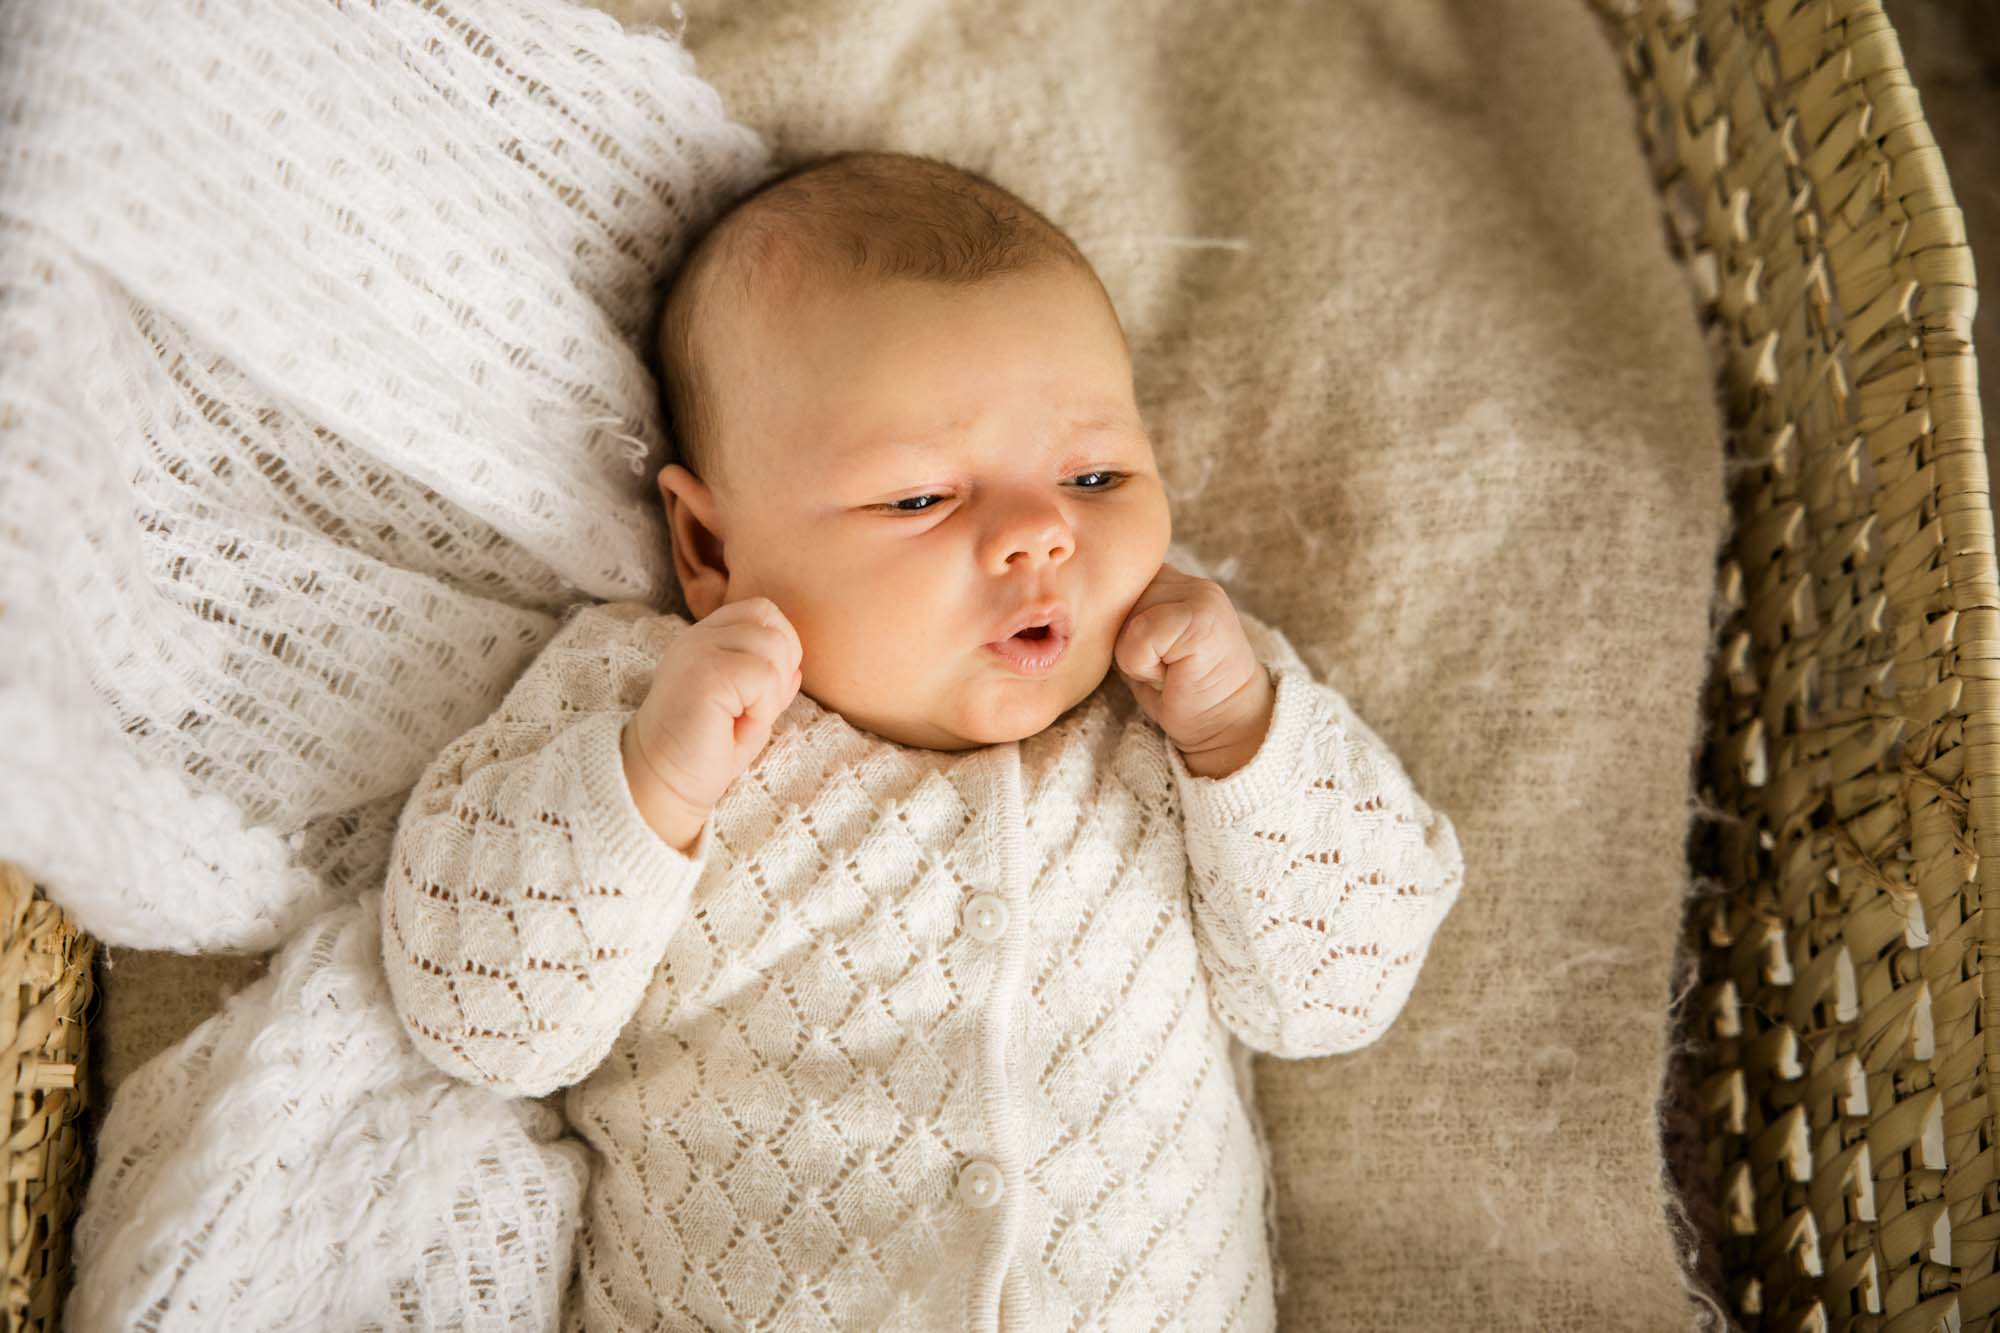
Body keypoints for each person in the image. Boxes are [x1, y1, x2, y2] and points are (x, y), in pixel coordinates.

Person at [380, 148, 1465, 1332]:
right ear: (707, 549)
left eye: (1095, 475)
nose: (1039, 533)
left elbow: (1337, 993)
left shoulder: (1189, 705)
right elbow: (477, 1018)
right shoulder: (645, 703)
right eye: (919, 498)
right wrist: (646, 782)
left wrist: (1245, 738)